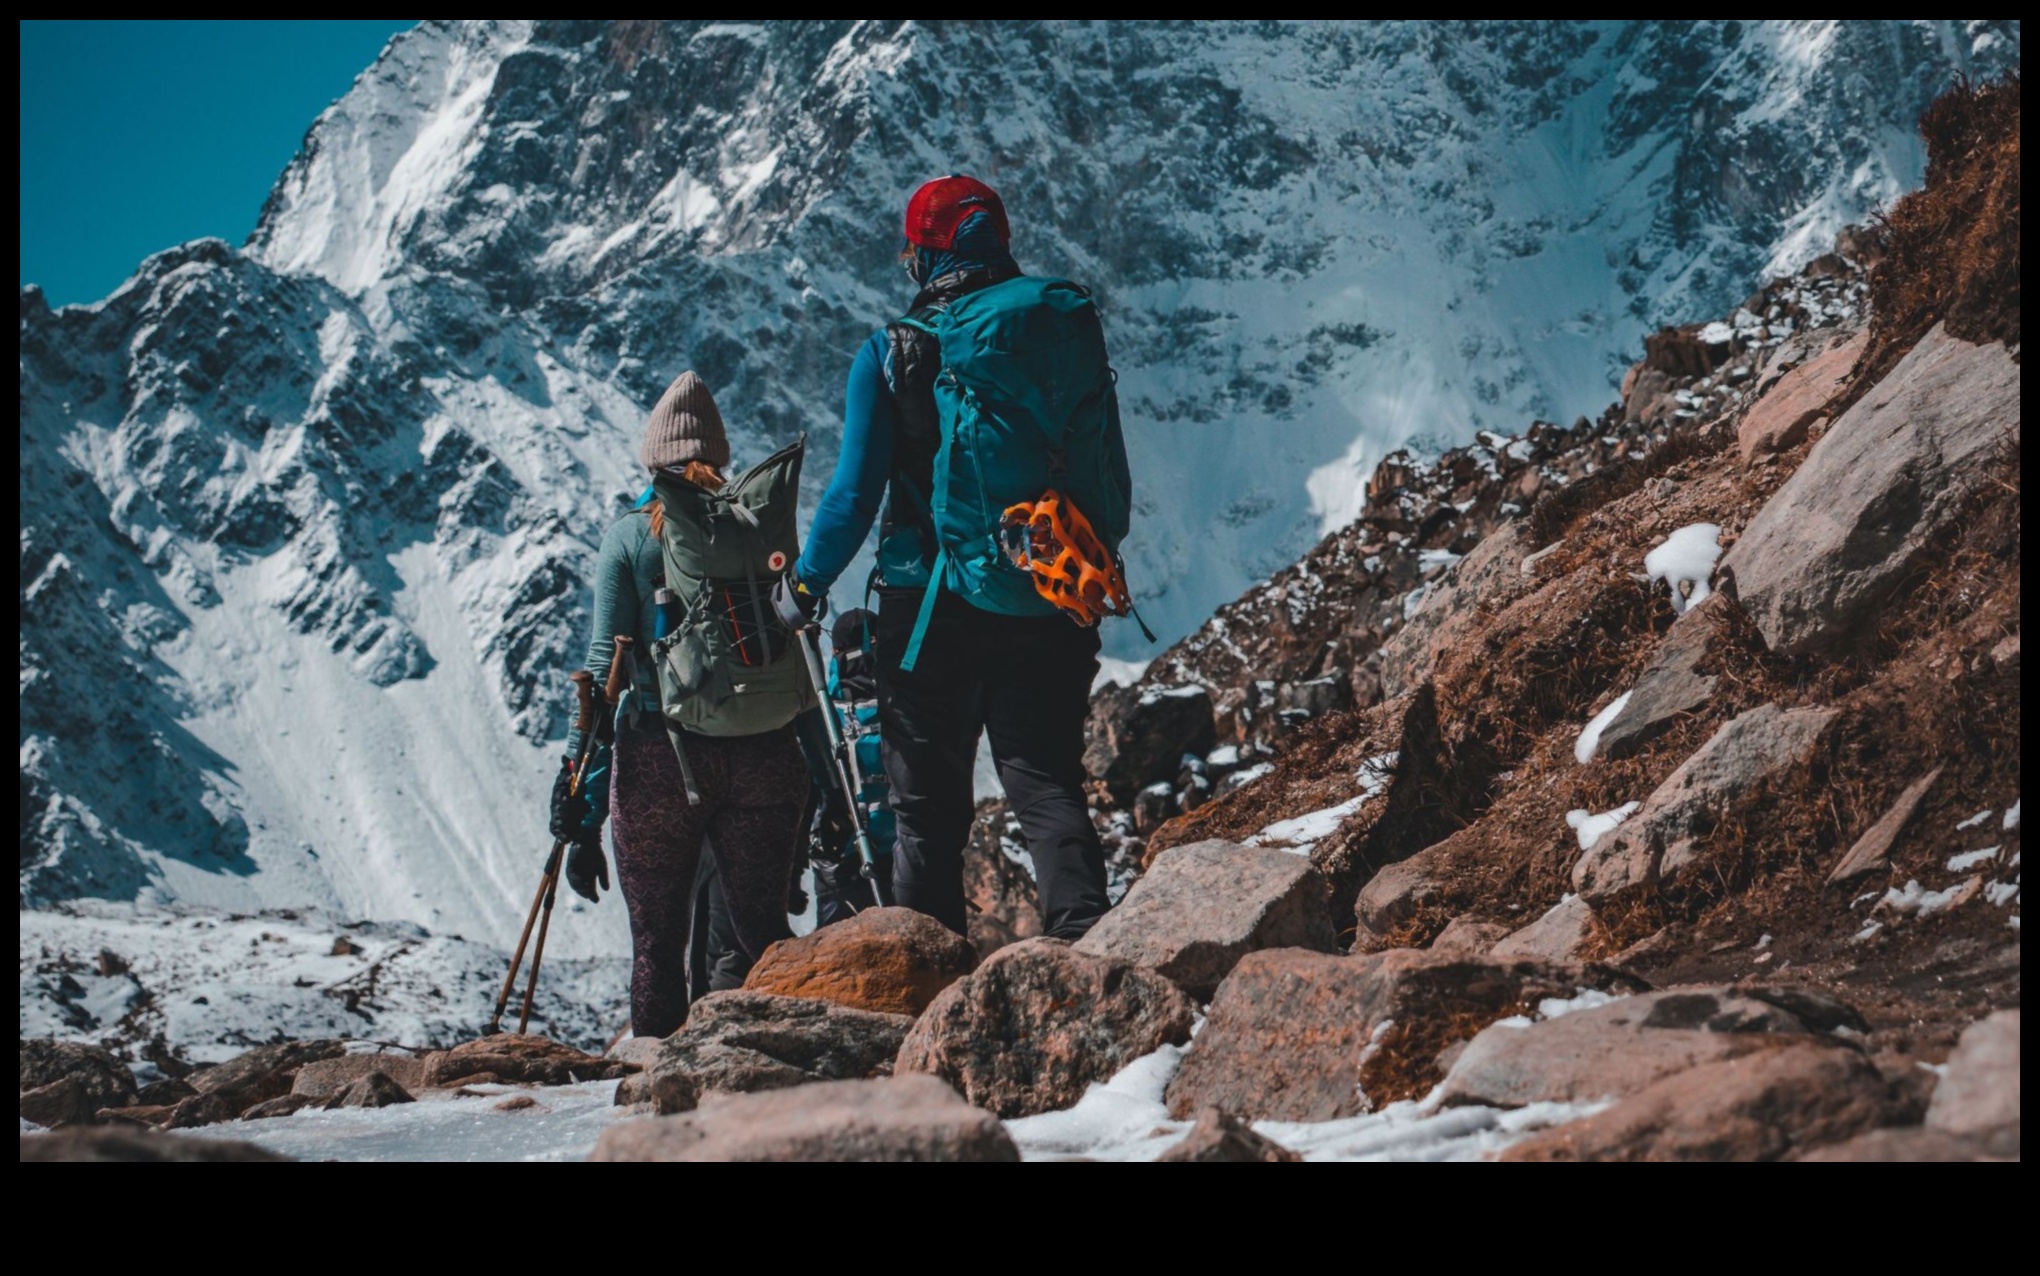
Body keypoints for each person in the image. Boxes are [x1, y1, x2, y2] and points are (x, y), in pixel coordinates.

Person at [786, 175, 1131, 941]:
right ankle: (1086, 949)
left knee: (926, 818)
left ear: (926, 253)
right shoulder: (1058, 324)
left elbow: (852, 497)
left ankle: (923, 984)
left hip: (927, 613)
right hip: (1048, 583)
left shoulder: (894, 351)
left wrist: (805, 586)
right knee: (1045, 785)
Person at [552, 370, 808, 1038]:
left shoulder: (632, 536)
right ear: (719, 457)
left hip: (660, 759)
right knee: (764, 935)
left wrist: (577, 790)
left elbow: (605, 665)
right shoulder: (757, 529)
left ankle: (655, 1112)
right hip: (766, 750)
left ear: (651, 460)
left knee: (659, 946)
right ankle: (794, 1076)